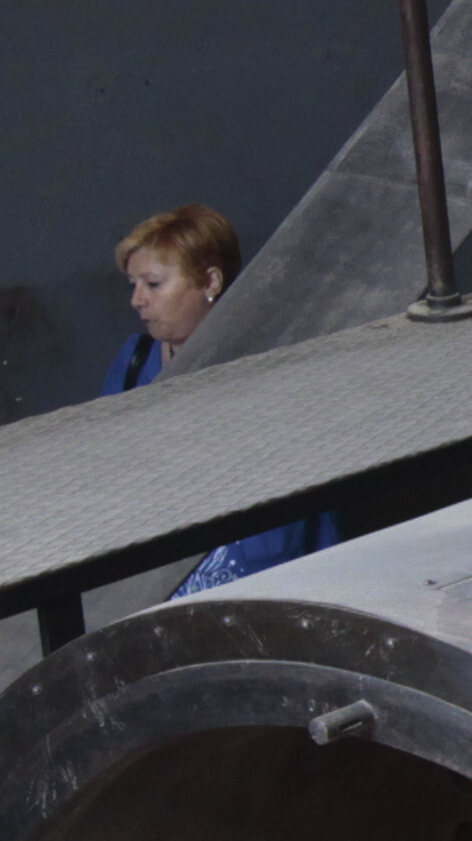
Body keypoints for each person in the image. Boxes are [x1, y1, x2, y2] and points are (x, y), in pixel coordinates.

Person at [107, 207, 334, 595]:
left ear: (210, 281)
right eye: (133, 285)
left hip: (264, 575)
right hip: (156, 578)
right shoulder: (134, 361)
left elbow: (288, 507)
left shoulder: (267, 364)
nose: (137, 300)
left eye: (154, 284)